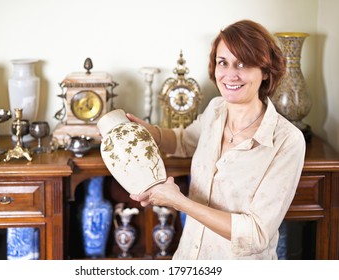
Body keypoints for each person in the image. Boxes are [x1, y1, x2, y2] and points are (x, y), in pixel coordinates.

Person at [127, 19, 306, 259]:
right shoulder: (215, 109)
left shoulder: (288, 141)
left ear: (265, 71)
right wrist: (149, 132)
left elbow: (256, 234)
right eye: (223, 63)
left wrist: (179, 202)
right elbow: (184, 140)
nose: (230, 75)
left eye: (243, 64)